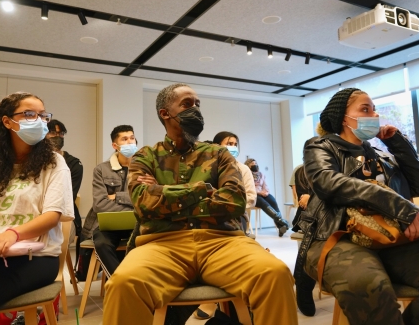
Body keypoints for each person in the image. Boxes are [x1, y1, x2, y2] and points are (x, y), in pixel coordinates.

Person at [103, 83, 298, 325]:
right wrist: (203, 190)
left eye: (197, 105)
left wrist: (164, 193)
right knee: (123, 284)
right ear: (165, 113)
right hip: (162, 246)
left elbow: (235, 201)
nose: (195, 110)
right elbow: (144, 203)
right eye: (187, 104)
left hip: (223, 242)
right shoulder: (146, 156)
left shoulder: (219, 154)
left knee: (275, 274)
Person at [294, 88, 419, 325]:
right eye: (365, 109)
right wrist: (400, 207)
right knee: (367, 285)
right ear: (343, 118)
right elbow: (328, 183)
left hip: (392, 239)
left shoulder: (382, 155)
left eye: (375, 109)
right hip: (338, 237)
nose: (374, 115)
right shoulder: (320, 146)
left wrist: (398, 143)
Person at [0, 91, 74, 324]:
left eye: (43, 115)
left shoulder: (54, 162)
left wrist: (12, 234)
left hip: (36, 256)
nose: (39, 120)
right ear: (7, 122)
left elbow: (52, 216)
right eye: (29, 114)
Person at [192, 131, 258, 321]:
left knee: (230, 251)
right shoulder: (207, 167)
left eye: (235, 143)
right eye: (229, 143)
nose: (233, 146)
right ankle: (212, 295)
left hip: (237, 216)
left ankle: (212, 301)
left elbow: (251, 198)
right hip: (208, 217)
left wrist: (227, 204)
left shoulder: (242, 169)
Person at [81, 125, 137, 277]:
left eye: (132, 138)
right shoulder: (101, 170)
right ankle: (120, 282)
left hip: (137, 223)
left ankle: (139, 280)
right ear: (115, 145)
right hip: (109, 225)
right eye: (124, 139)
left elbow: (147, 199)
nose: (130, 142)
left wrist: (118, 197)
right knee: (101, 243)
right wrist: (133, 204)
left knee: (151, 240)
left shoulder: (143, 168)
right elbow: (100, 205)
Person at [46, 119, 83, 244]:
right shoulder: (33, 161)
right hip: (35, 211)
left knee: (50, 237)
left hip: (64, 215)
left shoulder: (74, 164)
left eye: (61, 133)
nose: (57, 136)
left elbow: (68, 196)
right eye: (52, 133)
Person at [244, 158, 289, 237]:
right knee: (262, 202)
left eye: (255, 163)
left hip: (262, 193)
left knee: (272, 200)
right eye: (252, 164)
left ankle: (281, 227)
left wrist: (266, 192)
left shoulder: (261, 174)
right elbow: (248, 188)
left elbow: (265, 186)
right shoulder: (246, 175)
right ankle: (281, 222)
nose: (255, 165)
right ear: (248, 166)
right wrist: (259, 192)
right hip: (253, 195)